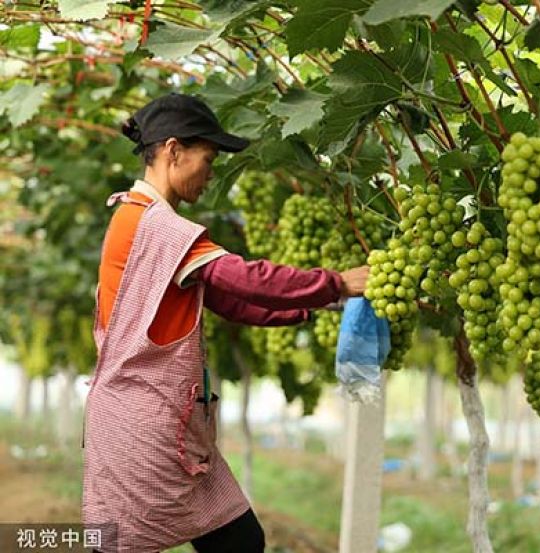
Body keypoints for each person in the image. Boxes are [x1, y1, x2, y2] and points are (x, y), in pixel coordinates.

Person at [83, 93, 369, 553]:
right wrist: (334, 283)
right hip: (147, 427)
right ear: (174, 151)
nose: (211, 173)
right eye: (208, 158)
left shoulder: (148, 225)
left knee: (239, 541)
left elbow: (233, 302)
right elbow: (244, 277)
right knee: (126, 544)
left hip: (165, 424)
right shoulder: (154, 225)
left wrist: (320, 306)